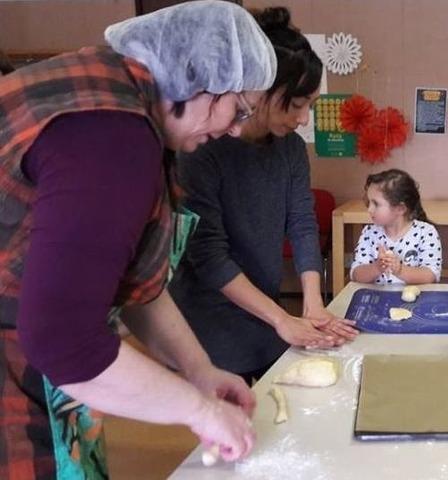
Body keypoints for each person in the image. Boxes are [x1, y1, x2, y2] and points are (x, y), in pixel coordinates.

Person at [0, 1, 277, 478]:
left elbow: (126, 281)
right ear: (200, 81)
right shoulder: (110, 137)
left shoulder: (113, 95)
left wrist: (198, 371)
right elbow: (63, 343)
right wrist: (200, 411)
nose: (234, 129)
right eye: (238, 108)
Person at [169, 6, 358, 387]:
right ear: (262, 92)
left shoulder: (289, 148)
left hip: (265, 307)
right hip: (210, 317)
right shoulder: (202, 148)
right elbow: (208, 255)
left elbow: (302, 222)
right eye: (298, 104)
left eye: (311, 106)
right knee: (232, 417)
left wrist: (312, 303)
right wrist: (281, 319)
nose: (304, 118)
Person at [350, 169, 442, 285]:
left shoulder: (426, 232)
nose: (369, 209)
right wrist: (377, 267)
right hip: (378, 299)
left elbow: (431, 275)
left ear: (400, 209)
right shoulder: (369, 233)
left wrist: (400, 270)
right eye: (369, 203)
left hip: (416, 301)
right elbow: (356, 274)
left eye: (376, 204)